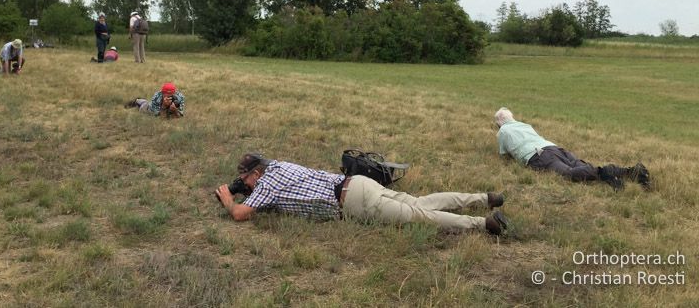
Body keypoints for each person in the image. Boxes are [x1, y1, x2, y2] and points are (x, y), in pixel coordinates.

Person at [215, 153, 509, 235]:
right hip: (357, 183)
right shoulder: (278, 165)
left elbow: (241, 214)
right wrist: (244, 188)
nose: (246, 185)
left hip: (353, 202)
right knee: (420, 201)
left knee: (420, 216)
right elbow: (273, 200)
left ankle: (484, 225)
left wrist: (230, 200)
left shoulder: (267, 184)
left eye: (246, 180)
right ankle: (483, 198)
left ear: (256, 174)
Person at [494, 107, 650, 190]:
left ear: (499, 123)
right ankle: (630, 172)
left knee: (569, 174)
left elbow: (504, 155)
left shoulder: (502, 131)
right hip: (553, 147)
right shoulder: (524, 124)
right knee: (580, 166)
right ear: (512, 118)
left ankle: (606, 172)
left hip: (539, 156)